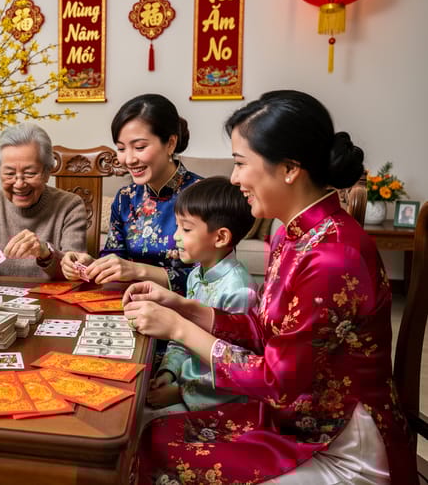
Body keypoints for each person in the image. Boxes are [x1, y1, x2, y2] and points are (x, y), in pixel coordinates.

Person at [124, 90, 415, 483]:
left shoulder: (332, 257)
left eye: (241, 163)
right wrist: (183, 306)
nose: (234, 178)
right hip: (295, 419)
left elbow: (277, 382)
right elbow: (266, 331)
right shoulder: (292, 235)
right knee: (153, 434)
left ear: (290, 168)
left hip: (339, 441)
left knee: (158, 452)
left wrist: (179, 330)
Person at [61, 94, 203, 295]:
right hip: (130, 304)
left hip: (185, 311)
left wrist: (138, 270)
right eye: (120, 148)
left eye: (139, 147)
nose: (128, 159)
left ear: (170, 143)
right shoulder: (125, 198)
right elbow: (115, 256)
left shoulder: (203, 196)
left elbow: (211, 280)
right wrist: (91, 265)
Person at [145, 176, 258, 422]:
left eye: (185, 229)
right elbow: (181, 338)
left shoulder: (239, 291)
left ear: (220, 237)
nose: (175, 236)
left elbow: (236, 368)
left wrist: (182, 393)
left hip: (219, 401)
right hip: (184, 384)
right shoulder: (196, 274)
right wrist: (169, 371)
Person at [0, 122, 86, 278]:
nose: (19, 184)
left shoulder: (70, 206)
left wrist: (45, 253)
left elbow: (78, 271)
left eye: (29, 173)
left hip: (51, 300)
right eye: (9, 174)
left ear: (47, 172)